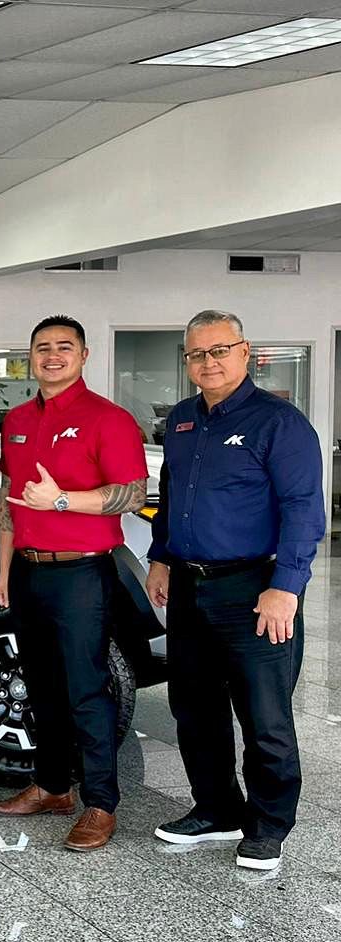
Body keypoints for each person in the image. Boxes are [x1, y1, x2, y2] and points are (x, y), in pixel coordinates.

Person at [146, 310, 325, 871]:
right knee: (193, 708)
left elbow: (304, 510)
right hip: (191, 587)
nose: (208, 362)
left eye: (219, 350)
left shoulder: (280, 422)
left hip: (256, 587)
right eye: (197, 354)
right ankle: (217, 809)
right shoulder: (179, 421)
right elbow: (171, 498)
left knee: (264, 714)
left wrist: (285, 588)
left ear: (246, 352)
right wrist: (160, 557)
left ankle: (269, 826)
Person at [0, 316, 147, 851]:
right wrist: (6, 570)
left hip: (82, 572)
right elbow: (8, 499)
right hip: (29, 571)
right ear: (29, 356)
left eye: (63, 347)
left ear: (83, 354)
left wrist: (61, 500)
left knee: (86, 689)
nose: (51, 356)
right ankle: (53, 787)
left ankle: (100, 803)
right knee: (41, 687)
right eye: (42, 348)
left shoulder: (109, 419)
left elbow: (132, 493)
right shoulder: (16, 420)